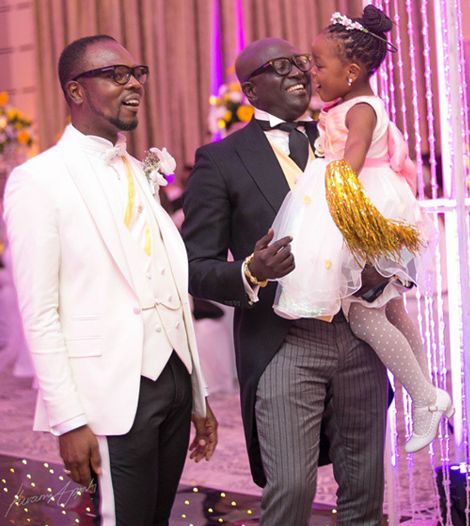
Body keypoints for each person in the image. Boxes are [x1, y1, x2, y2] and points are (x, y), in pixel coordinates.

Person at [4, 34, 217, 526]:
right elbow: (40, 312)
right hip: (110, 393)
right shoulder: (39, 180)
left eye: (137, 73)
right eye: (117, 75)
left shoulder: (139, 171)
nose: (134, 84)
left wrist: (197, 394)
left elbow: (168, 283)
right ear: (76, 90)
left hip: (173, 381)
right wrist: (69, 420)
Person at [183, 36, 390, 526]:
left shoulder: (344, 131)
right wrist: (251, 271)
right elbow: (194, 266)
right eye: (279, 66)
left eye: (299, 62)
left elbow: (386, 203)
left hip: (360, 332)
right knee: (292, 488)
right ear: (251, 91)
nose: (298, 71)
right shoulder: (221, 160)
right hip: (283, 342)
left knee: (364, 489)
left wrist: (384, 269)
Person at [272, 5, 453, 454]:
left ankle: (425, 398)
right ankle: (430, 393)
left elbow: (351, 159)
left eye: (319, 65)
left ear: (351, 71)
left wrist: (331, 199)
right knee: (391, 308)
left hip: (366, 207)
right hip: (377, 202)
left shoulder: (360, 110)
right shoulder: (356, 104)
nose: (312, 73)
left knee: (363, 313)